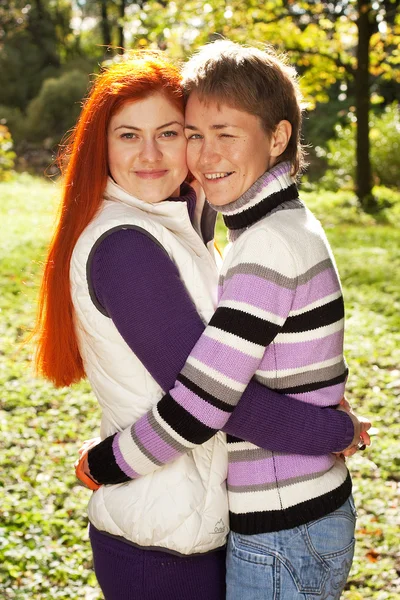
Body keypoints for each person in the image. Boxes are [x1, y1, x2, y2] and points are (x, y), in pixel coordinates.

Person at [78, 42, 371, 600]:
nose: (204, 156)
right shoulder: (283, 224)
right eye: (193, 134)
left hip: (284, 522)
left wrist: (102, 464)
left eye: (225, 134)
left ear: (279, 137)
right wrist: (332, 423)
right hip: (293, 513)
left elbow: (200, 405)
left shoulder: (263, 247)